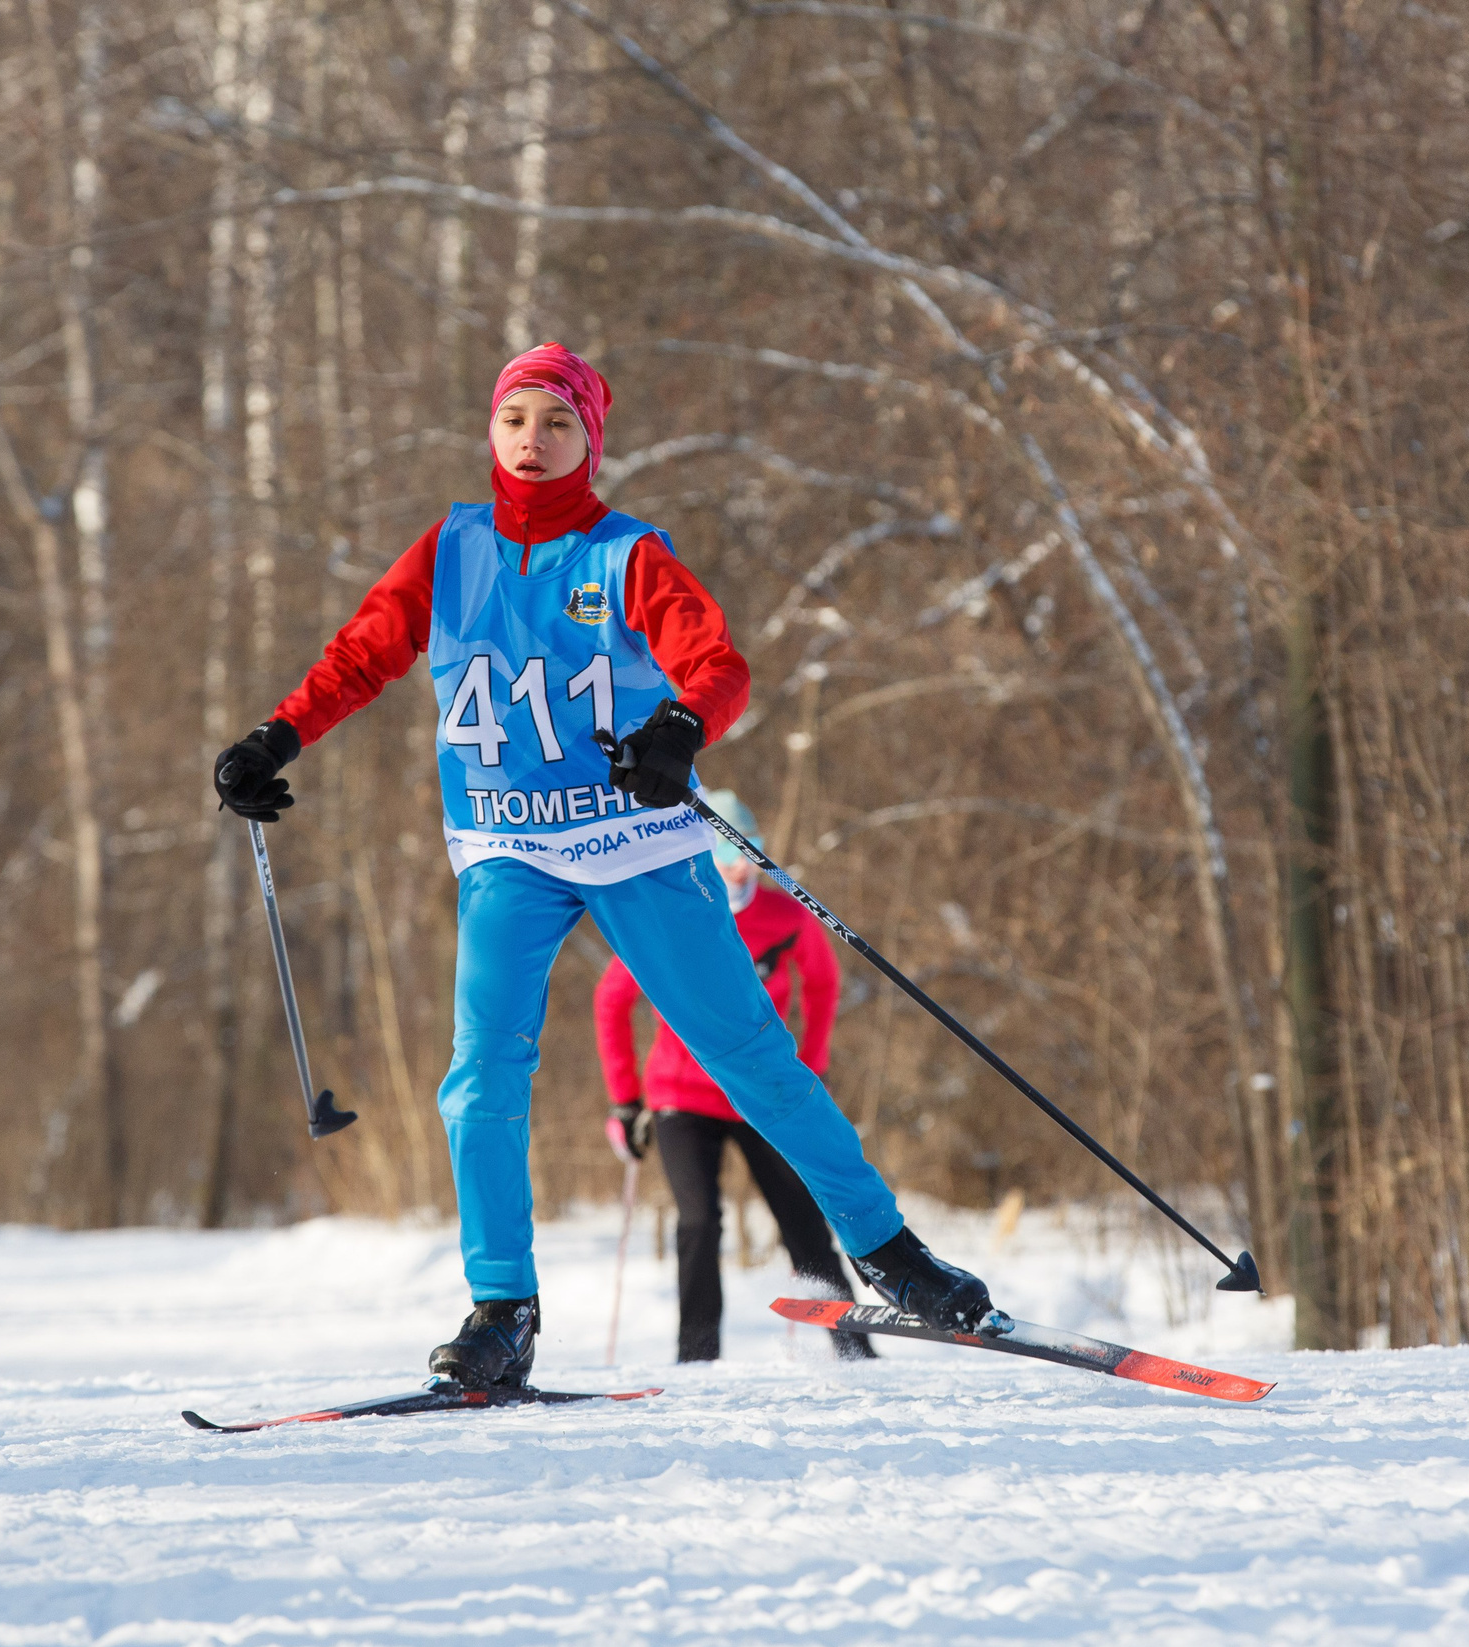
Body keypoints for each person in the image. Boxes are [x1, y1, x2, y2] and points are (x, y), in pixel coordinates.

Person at [212, 342, 995, 1389]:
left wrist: (679, 727)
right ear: (490, 431)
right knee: (480, 1076)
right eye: (514, 420)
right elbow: (362, 655)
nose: (533, 441)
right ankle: (502, 1310)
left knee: (752, 1058)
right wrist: (275, 738)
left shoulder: (626, 555)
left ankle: (891, 1255)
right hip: (506, 850)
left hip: (631, 845)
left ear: (591, 440)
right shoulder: (449, 550)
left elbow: (717, 665)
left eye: (558, 424)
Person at [595, 789, 877, 1364]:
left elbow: (823, 984)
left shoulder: (786, 916)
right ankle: (696, 1357)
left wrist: (812, 1064)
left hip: (763, 1093)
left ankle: (853, 1350)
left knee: (802, 1221)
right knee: (699, 1221)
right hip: (681, 1096)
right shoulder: (671, 916)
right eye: (723, 857)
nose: (737, 869)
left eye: (746, 854)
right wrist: (626, 1102)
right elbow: (611, 1001)